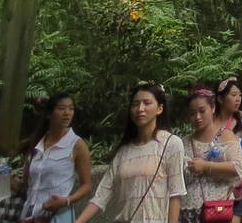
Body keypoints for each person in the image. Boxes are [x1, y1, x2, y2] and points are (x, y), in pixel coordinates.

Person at [75, 81, 186, 223]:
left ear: (159, 108)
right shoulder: (124, 151)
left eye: (147, 103)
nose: (140, 108)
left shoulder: (171, 144)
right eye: (135, 104)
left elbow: (175, 193)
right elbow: (102, 194)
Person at [17, 92, 92, 223]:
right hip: (28, 216)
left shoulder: (76, 144)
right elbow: (26, 185)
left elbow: (86, 185)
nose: (67, 113)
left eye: (71, 108)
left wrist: (66, 201)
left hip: (56, 216)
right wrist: (5, 180)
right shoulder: (36, 143)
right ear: (49, 114)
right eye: (61, 108)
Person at [179, 88, 242, 223]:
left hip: (218, 210)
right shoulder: (183, 143)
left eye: (202, 111)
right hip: (188, 212)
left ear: (213, 108)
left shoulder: (225, 135)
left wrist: (206, 166)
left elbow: (239, 167)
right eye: (192, 113)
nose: (197, 117)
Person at [213, 76, 242, 221]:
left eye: (239, 95)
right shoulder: (210, 124)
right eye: (233, 95)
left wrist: (235, 162)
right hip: (216, 182)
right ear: (220, 99)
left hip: (241, 181)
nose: (238, 99)